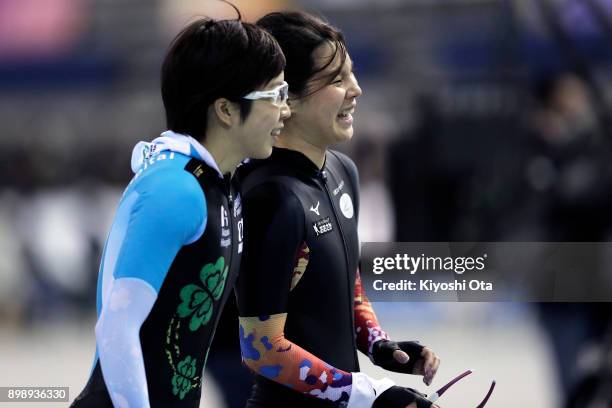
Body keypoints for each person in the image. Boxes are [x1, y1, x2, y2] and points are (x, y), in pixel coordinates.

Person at [71, 9, 290, 408]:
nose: (285, 110)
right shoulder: (175, 189)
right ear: (225, 110)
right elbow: (118, 329)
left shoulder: (222, 185)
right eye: (275, 95)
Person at [236, 11, 440, 408]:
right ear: (286, 97)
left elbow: (348, 284)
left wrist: (378, 345)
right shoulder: (270, 196)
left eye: (351, 74)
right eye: (335, 80)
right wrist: (368, 394)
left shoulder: (342, 171)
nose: (356, 89)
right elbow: (260, 348)